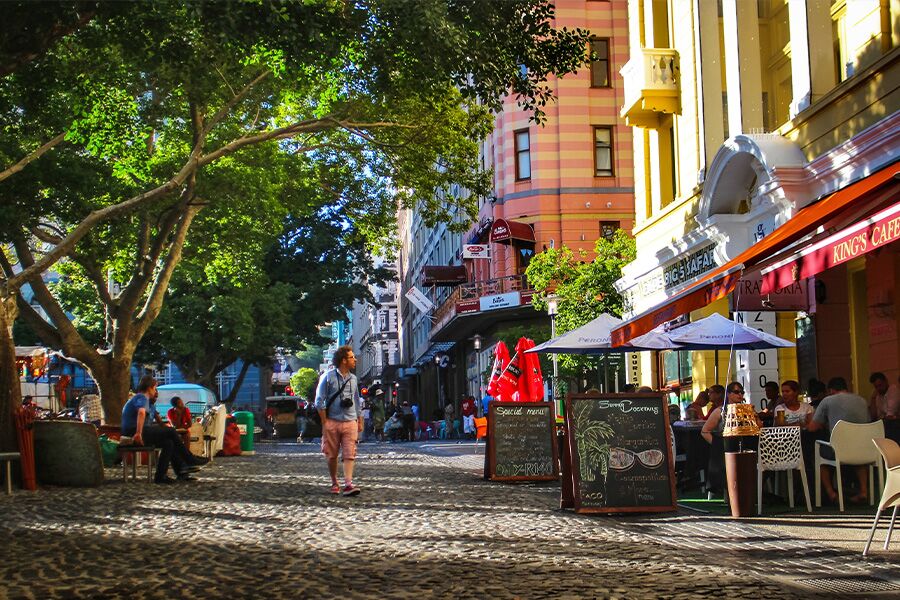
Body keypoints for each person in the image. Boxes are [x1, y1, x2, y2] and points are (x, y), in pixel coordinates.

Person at [121, 376, 205, 484]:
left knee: (168, 443)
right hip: (133, 432)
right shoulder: (141, 397)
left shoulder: (143, 400)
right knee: (171, 431)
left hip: (136, 431)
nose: (155, 391)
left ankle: (164, 475)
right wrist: (138, 433)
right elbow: (141, 413)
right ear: (150, 388)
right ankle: (189, 460)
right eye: (155, 388)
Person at [807, 377, 872, 504]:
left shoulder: (827, 400)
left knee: (820, 456)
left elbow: (812, 428)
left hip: (839, 450)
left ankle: (832, 494)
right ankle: (863, 491)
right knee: (859, 460)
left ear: (831, 390)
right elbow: (868, 422)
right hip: (864, 449)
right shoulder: (862, 400)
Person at [314, 345, 363, 496]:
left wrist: (359, 419)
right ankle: (334, 481)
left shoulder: (353, 379)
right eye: (352, 357)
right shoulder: (328, 377)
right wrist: (324, 422)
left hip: (350, 422)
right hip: (332, 421)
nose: (355, 360)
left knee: (350, 453)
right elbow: (319, 400)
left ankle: (348, 484)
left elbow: (356, 400)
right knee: (332, 454)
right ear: (343, 360)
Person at [869, 372, 900, 444]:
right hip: (886, 423)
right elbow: (875, 416)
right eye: (876, 387)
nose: (879, 388)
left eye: (880, 385)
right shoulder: (878, 395)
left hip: (894, 424)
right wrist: (873, 398)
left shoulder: (893, 390)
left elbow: (890, 414)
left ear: (886, 381)